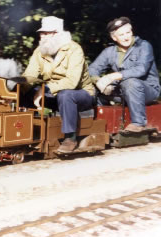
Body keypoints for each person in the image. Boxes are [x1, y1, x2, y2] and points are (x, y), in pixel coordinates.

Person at [21, 16, 95, 153]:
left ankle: (70, 138)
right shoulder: (40, 51)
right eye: (41, 33)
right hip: (54, 94)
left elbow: (72, 82)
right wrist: (15, 88)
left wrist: (45, 89)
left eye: (45, 33)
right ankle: (26, 133)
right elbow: (29, 76)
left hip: (81, 95)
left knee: (66, 94)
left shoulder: (74, 50)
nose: (41, 37)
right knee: (25, 91)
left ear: (57, 34)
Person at [89, 17, 160, 132]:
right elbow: (92, 69)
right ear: (114, 37)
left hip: (148, 89)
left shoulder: (144, 46)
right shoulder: (109, 51)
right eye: (121, 34)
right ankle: (102, 124)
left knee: (130, 82)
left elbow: (141, 69)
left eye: (128, 32)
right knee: (93, 89)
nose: (126, 37)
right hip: (121, 90)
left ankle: (138, 123)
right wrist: (99, 81)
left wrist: (113, 76)